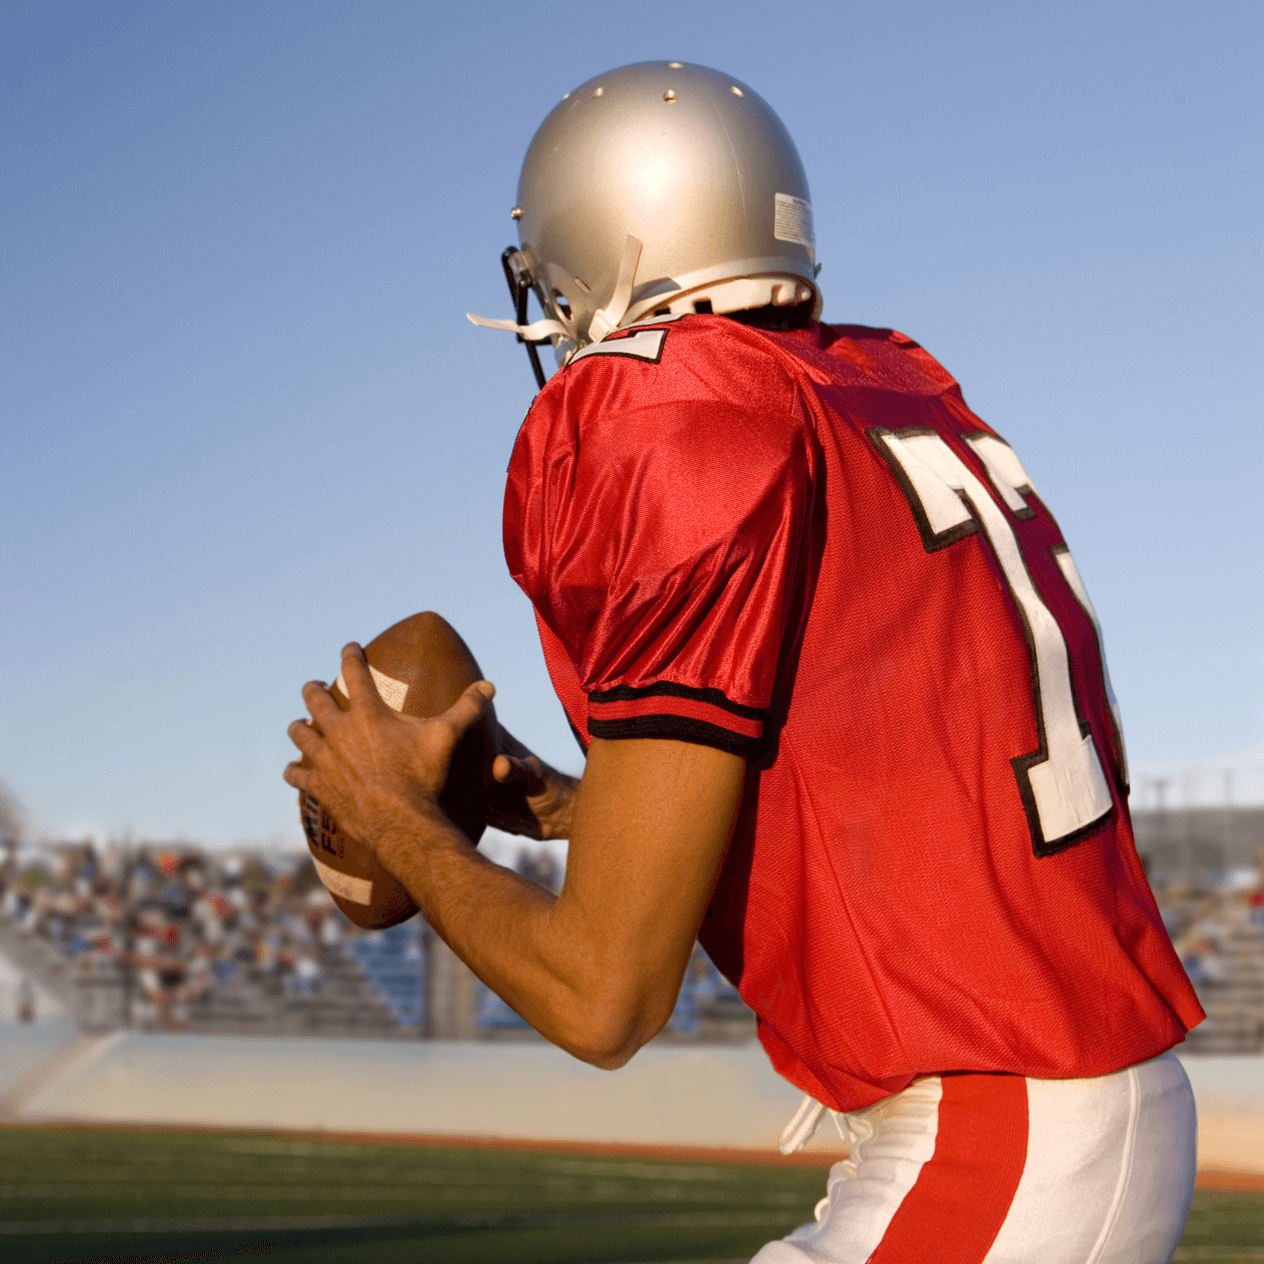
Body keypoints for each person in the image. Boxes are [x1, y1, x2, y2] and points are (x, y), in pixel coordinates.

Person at [286, 62, 1204, 1263]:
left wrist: (395, 815)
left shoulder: (663, 415)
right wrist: (582, 808)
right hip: (1065, 1108)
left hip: (1004, 1136)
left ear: (596, 250)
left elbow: (600, 998)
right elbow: (875, 753)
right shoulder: (881, 392)